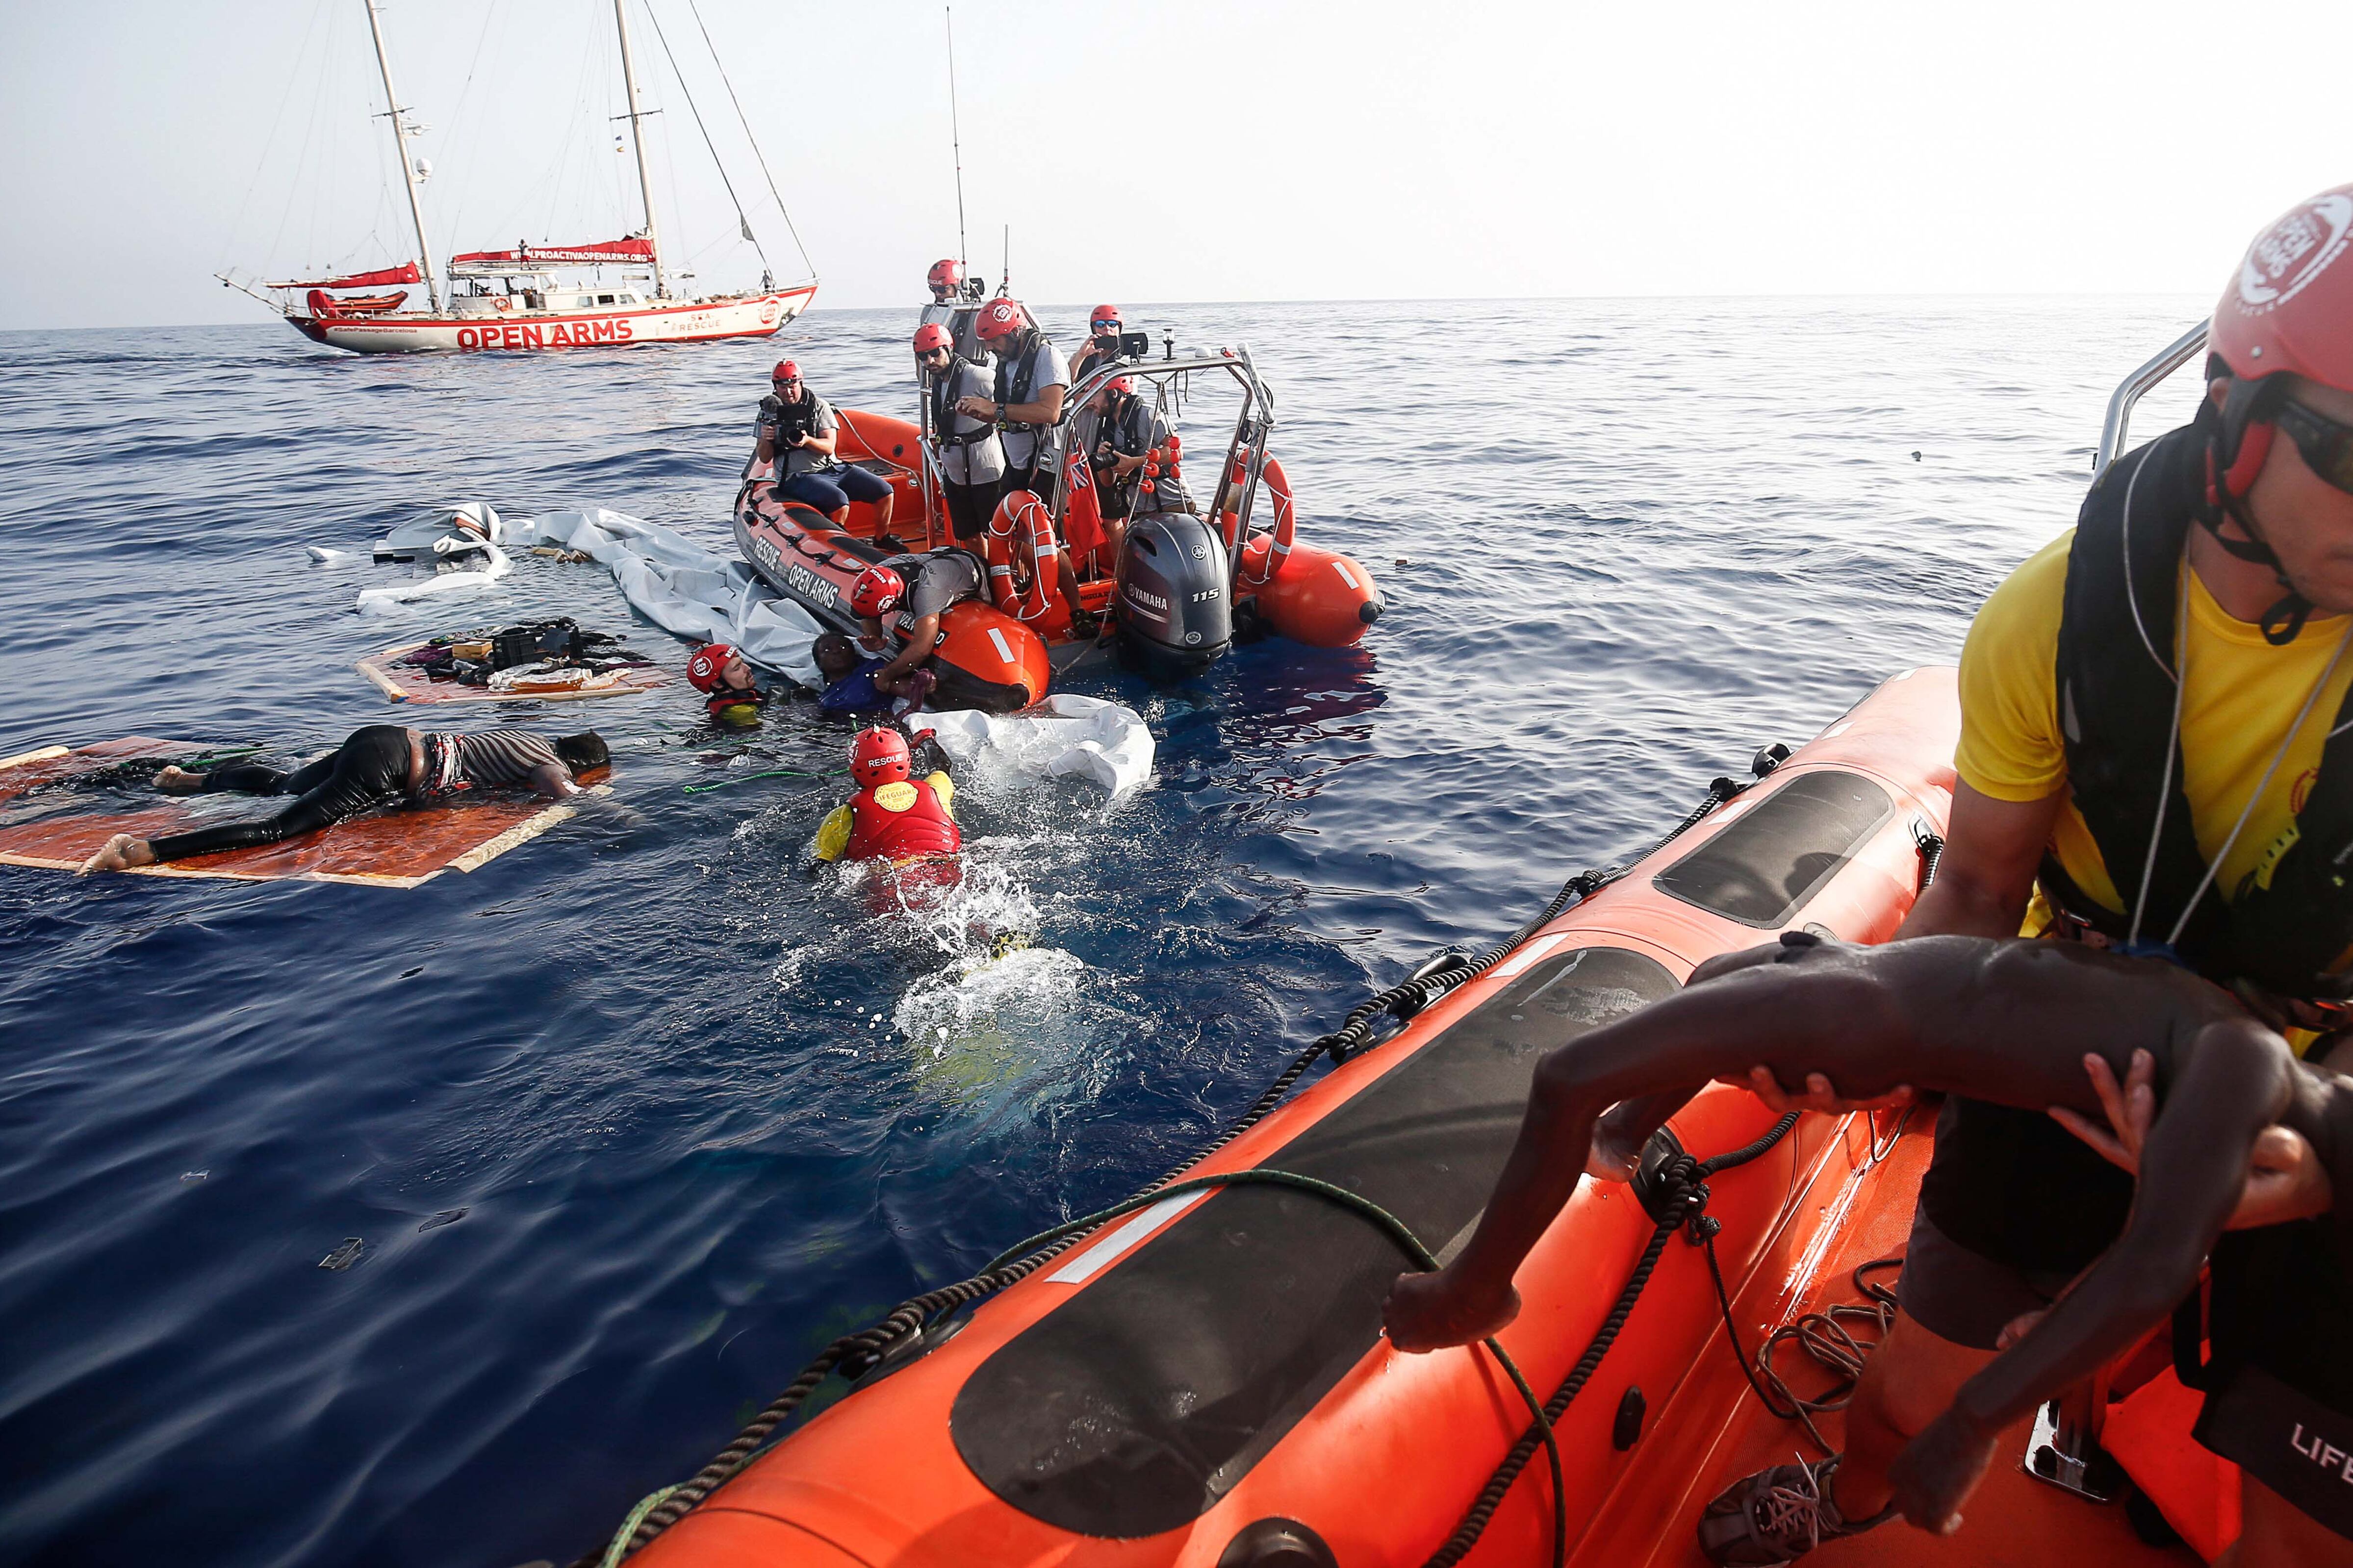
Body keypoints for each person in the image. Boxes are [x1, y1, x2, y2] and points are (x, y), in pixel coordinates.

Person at [1698, 184, 2353, 1567]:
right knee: (1900, 1406)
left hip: (2323, 1109)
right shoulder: (2051, 616)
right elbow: (1978, 891)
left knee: (2304, 1537)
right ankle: (1852, 1490)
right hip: (2075, 1036)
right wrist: (1865, 1031)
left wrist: (2313, 1162)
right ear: (2229, 425)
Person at [1378, 930, 2353, 1545]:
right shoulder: (2249, 1068)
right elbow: (2150, 1266)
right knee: (1682, 1002)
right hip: (1869, 993)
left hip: (1871, 999)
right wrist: (1979, 1413)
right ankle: (1614, 1142)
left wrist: (1974, 1422)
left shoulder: (2242, 1060)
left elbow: (2149, 1268)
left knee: (1571, 1075)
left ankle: (1477, 1288)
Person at [77, 727, 608, 871]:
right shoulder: (552, 766)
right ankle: (144, 850)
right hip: (391, 768)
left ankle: (189, 781)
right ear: (578, 763)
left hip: (384, 737)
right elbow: (567, 799)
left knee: (283, 782)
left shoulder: (528, 741)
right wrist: (622, 815)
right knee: (279, 829)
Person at [756, 360, 896, 531]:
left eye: (793, 386)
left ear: (800, 383)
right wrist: (766, 439)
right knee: (839, 502)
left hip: (831, 468)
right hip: (796, 476)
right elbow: (764, 458)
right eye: (782, 387)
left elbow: (829, 447)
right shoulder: (768, 412)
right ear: (775, 386)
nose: (788, 392)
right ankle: (836, 541)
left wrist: (807, 441)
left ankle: (883, 538)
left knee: (885, 491)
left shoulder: (818, 407)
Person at [959, 299, 1068, 500]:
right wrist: (980, 412)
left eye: (993, 340)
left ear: (1015, 333)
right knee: (1008, 521)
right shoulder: (1006, 361)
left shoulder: (1048, 357)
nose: (988, 348)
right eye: (985, 342)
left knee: (1042, 526)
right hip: (1015, 461)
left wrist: (995, 409)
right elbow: (1007, 413)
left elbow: (1051, 412)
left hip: (1044, 464)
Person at [812, 725, 960, 865]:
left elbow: (820, 865)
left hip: (886, 880)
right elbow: (942, 764)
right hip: (946, 865)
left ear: (856, 769)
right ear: (907, 761)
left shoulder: (843, 815)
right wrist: (926, 740)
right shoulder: (937, 789)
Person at [849, 553, 985, 700]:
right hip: (939, 559)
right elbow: (869, 614)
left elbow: (922, 649)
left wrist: (887, 675)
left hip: (971, 568)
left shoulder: (927, 594)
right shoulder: (880, 571)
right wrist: (875, 637)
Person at [916, 322, 1004, 544]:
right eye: (923, 357)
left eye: (935, 353)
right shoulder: (938, 381)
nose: (930, 361)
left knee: (1000, 536)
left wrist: (987, 409)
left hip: (986, 469)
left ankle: (1015, 576)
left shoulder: (977, 376)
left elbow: (1010, 405)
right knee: (969, 537)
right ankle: (984, 576)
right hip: (955, 472)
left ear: (949, 349)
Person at [814, 631, 932, 717]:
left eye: (843, 647)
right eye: (827, 650)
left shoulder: (873, 672)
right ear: (819, 662)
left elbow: (903, 687)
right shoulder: (827, 700)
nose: (836, 651)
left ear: (853, 653)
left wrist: (920, 686)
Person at [920, 257, 986, 363]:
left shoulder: (978, 314)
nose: (937, 294)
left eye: (942, 289)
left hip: (973, 370)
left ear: (958, 287)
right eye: (933, 289)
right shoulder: (929, 312)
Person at [685, 642, 766, 727]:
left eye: (742, 662)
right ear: (718, 684)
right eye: (737, 668)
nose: (748, 668)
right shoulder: (740, 713)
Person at [1067, 303, 1126, 385]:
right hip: (1085, 396)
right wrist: (1081, 355)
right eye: (1100, 324)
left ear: (1119, 328)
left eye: (1112, 324)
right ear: (1094, 329)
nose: (1107, 328)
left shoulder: (1127, 357)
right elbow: (1068, 380)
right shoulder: (1083, 355)